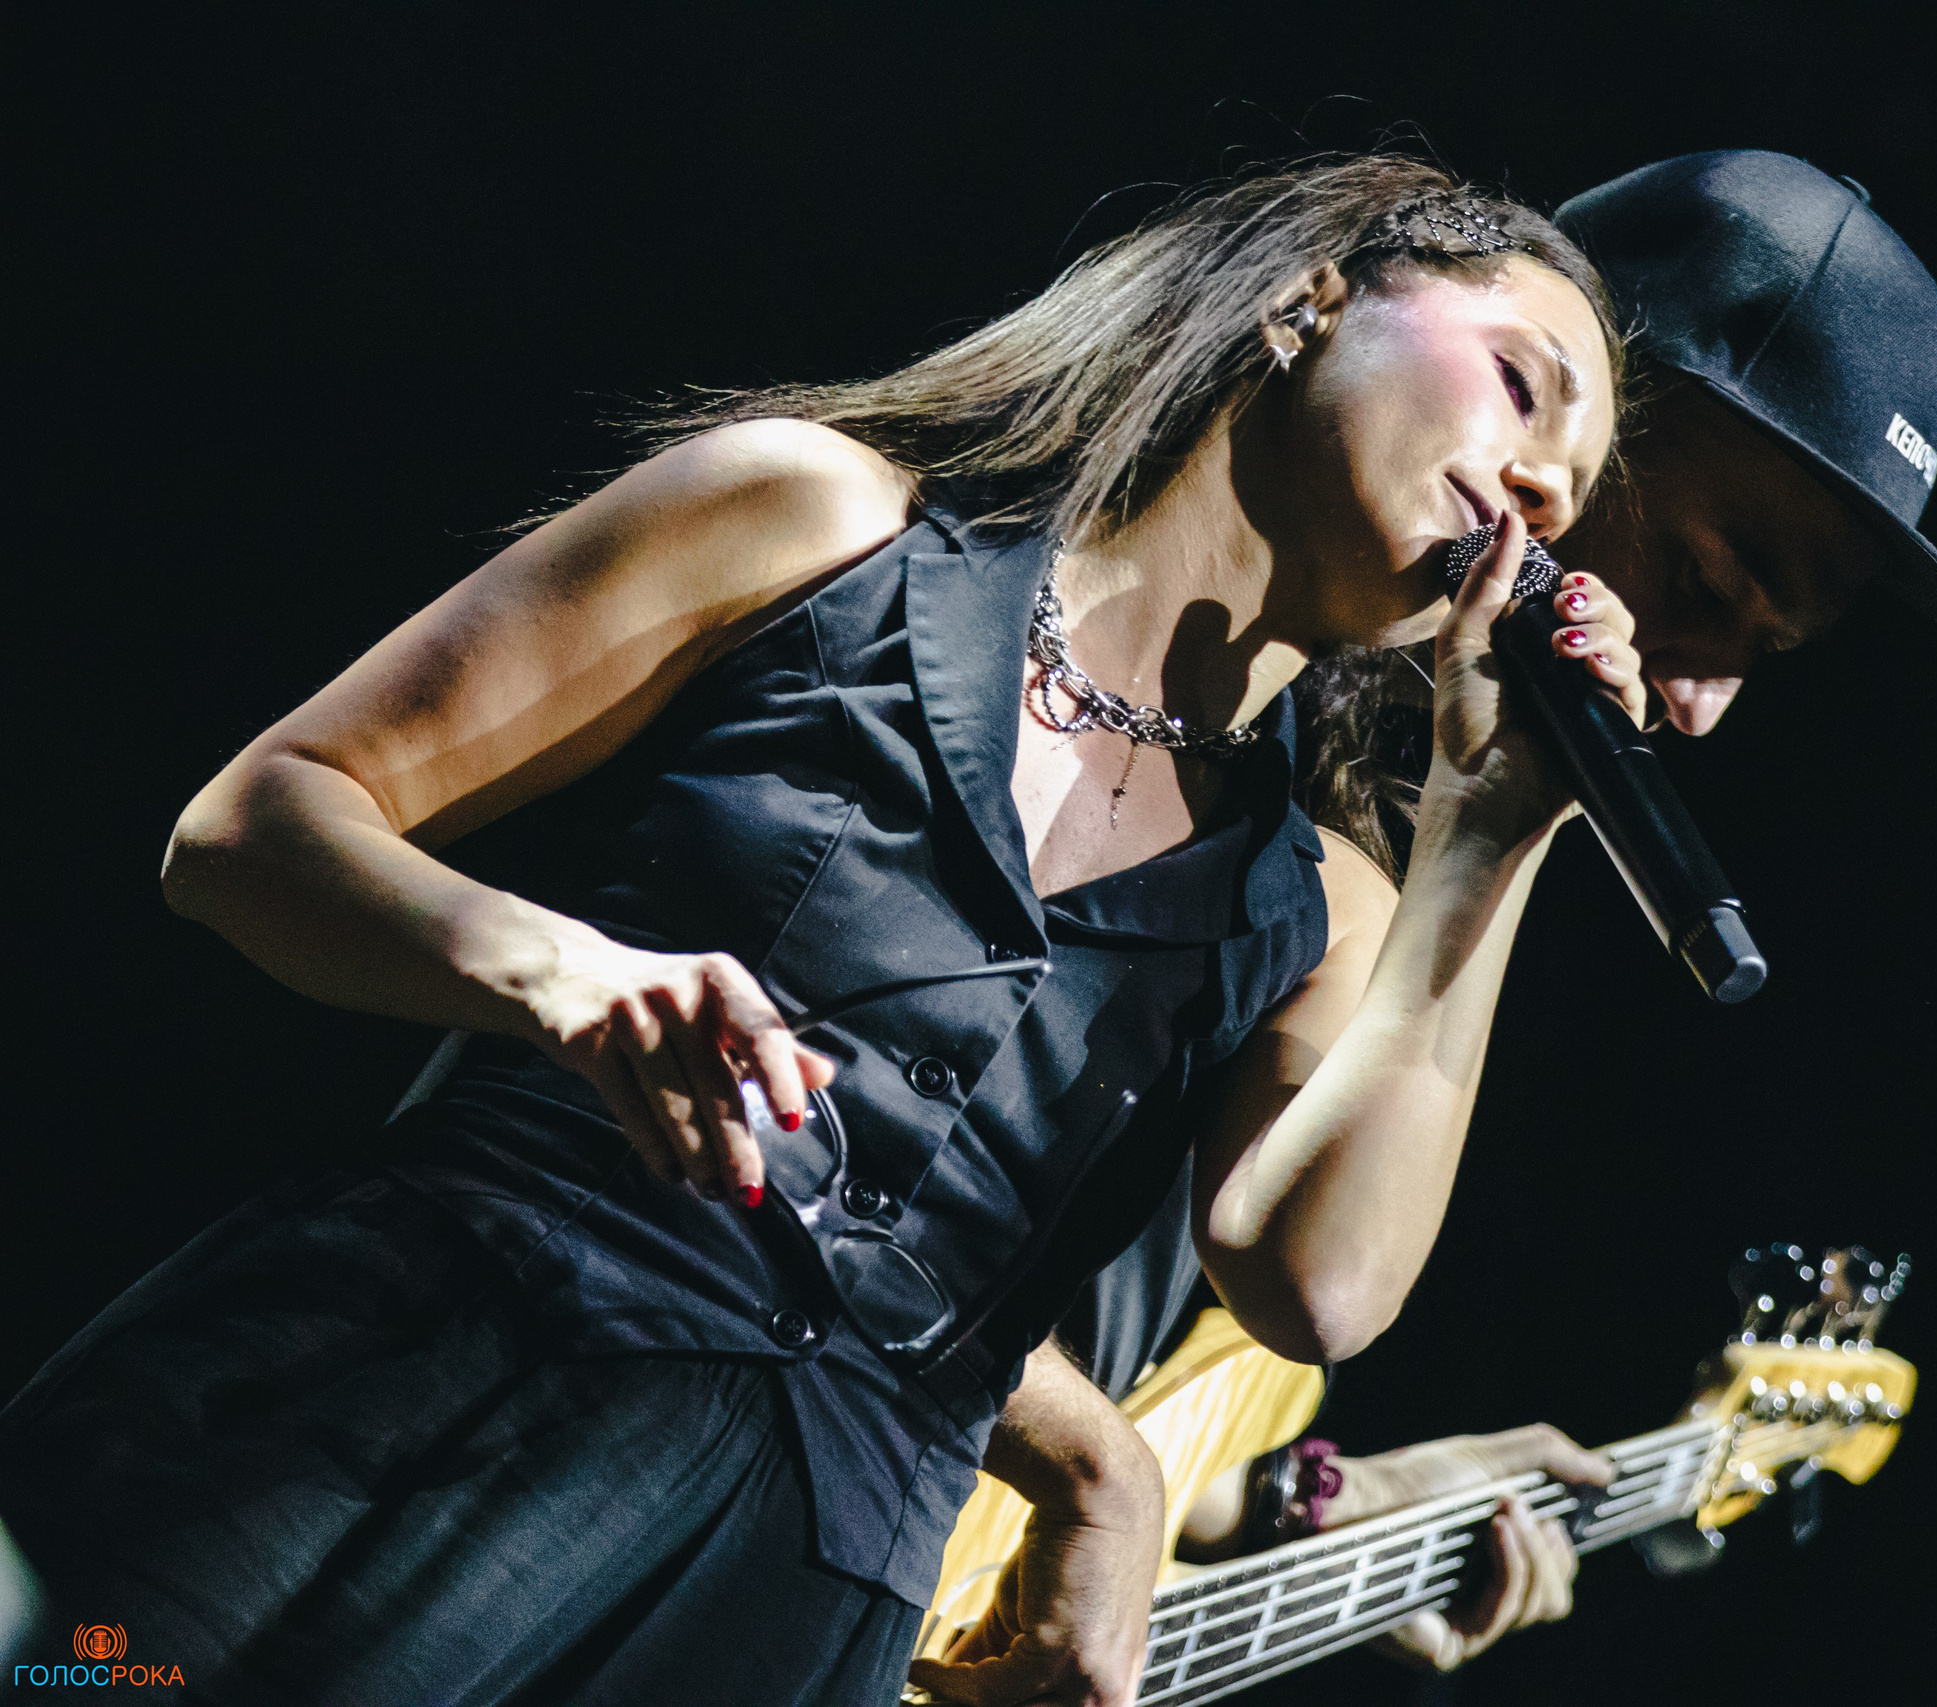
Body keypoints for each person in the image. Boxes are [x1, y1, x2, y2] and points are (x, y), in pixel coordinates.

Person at [0, 157, 1639, 1707]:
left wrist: (1484, 840)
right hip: (408, 1378)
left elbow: (1320, 1297)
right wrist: (560, 973)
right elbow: (250, 828)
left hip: (787, 1596)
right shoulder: (818, 517)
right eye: (1522, 385)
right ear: (1310, 297)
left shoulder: (1325, 908)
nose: (1543, 486)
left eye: (1573, 489)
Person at [956, 148, 1937, 1704]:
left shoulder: (1374, 869)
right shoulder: (1055, 673)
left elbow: (1229, 1309)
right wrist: (1092, 1459)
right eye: (1707, 582)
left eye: (1760, 655)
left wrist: (1324, 1506)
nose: (1698, 699)